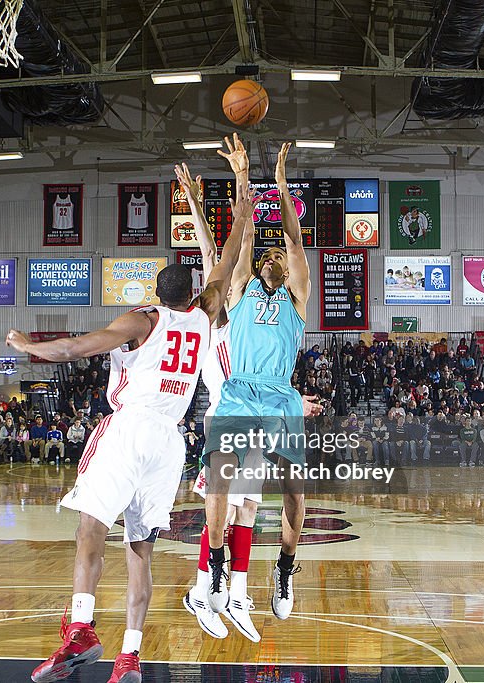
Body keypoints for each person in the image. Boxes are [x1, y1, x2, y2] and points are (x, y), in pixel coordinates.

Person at [7, 134, 255, 683]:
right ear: (193, 293)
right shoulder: (205, 314)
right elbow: (236, 244)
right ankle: (129, 658)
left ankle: (80, 629)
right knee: (140, 549)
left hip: (132, 427)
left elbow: (74, 349)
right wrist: (241, 177)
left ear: (154, 293)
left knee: (91, 528)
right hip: (172, 440)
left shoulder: (142, 320)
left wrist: (27, 346)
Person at [199, 141, 312, 626]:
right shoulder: (241, 289)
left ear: (286, 270)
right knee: (221, 481)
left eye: (277, 256)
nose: (272, 258)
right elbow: (240, 240)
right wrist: (245, 180)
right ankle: (218, 568)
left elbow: (294, 237)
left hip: (281, 396)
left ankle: (285, 569)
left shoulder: (298, 295)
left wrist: (283, 183)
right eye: (265, 256)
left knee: (294, 491)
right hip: (240, 391)